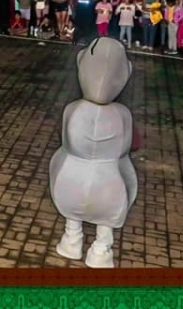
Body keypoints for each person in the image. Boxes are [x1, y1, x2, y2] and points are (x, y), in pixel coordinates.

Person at [49, 37, 137, 268]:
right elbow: (125, 148)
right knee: (108, 213)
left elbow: (66, 142)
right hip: (109, 180)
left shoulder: (73, 109)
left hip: (71, 177)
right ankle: (101, 249)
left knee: (71, 200)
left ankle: (72, 239)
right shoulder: (123, 114)